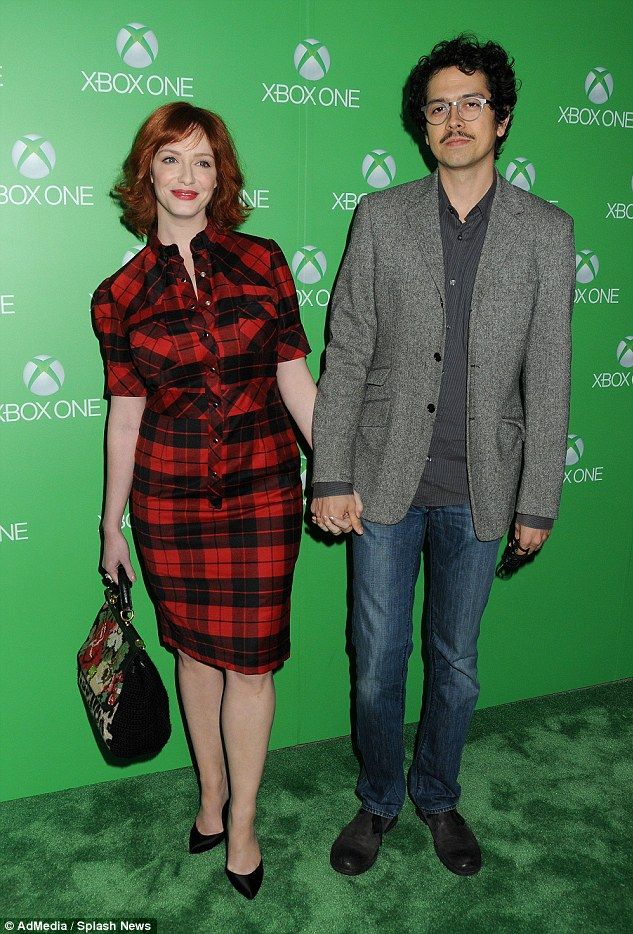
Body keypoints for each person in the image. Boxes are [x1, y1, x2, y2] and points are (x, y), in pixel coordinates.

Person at [311, 35, 575, 877]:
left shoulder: (547, 230)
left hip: (482, 487)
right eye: (437, 106)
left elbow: (552, 370)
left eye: (470, 103)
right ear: (420, 126)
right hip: (382, 482)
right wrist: (333, 475)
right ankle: (380, 799)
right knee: (374, 665)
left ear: (501, 117)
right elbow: (346, 352)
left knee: (455, 669)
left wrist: (540, 500)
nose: (454, 119)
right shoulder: (381, 217)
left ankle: (438, 794)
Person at [92, 102, 315, 900]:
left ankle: (244, 821)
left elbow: (294, 377)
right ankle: (210, 797)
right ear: (145, 173)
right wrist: (110, 522)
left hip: (260, 490)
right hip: (169, 502)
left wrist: (334, 472)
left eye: (204, 163)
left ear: (221, 178)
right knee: (193, 653)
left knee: (250, 666)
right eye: (172, 160)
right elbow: (126, 413)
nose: (189, 178)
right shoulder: (116, 295)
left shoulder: (264, 262)